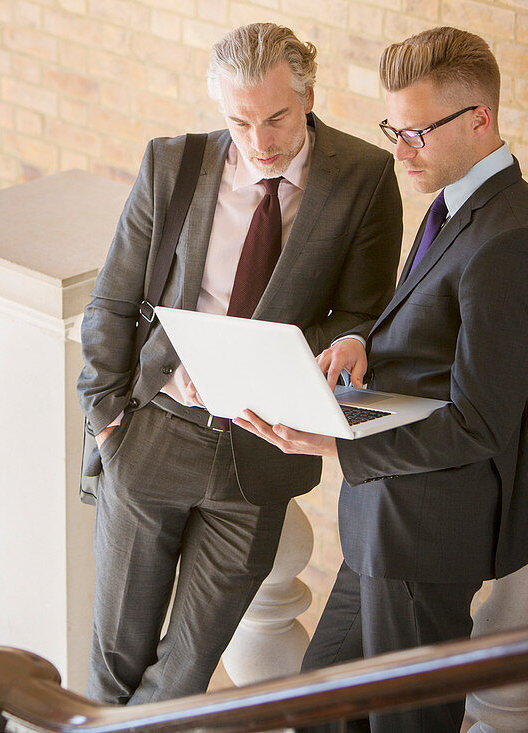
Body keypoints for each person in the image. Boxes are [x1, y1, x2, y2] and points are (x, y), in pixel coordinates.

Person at [236, 26, 528, 731]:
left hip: (427, 536)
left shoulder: (513, 242)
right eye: (394, 128)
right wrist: (364, 336)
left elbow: (479, 422)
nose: (398, 149)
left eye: (414, 131)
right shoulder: (454, 203)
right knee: (319, 707)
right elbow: (429, 313)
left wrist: (334, 444)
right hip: (386, 523)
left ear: (480, 119)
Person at [77, 22, 403, 704]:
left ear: (308, 94)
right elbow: (113, 298)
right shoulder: (172, 166)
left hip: (258, 461)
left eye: (277, 117)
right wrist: (107, 420)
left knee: (186, 671)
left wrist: (339, 343)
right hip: (154, 437)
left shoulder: (365, 178)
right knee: (115, 663)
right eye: (240, 121)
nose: (260, 142)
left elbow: (363, 310)